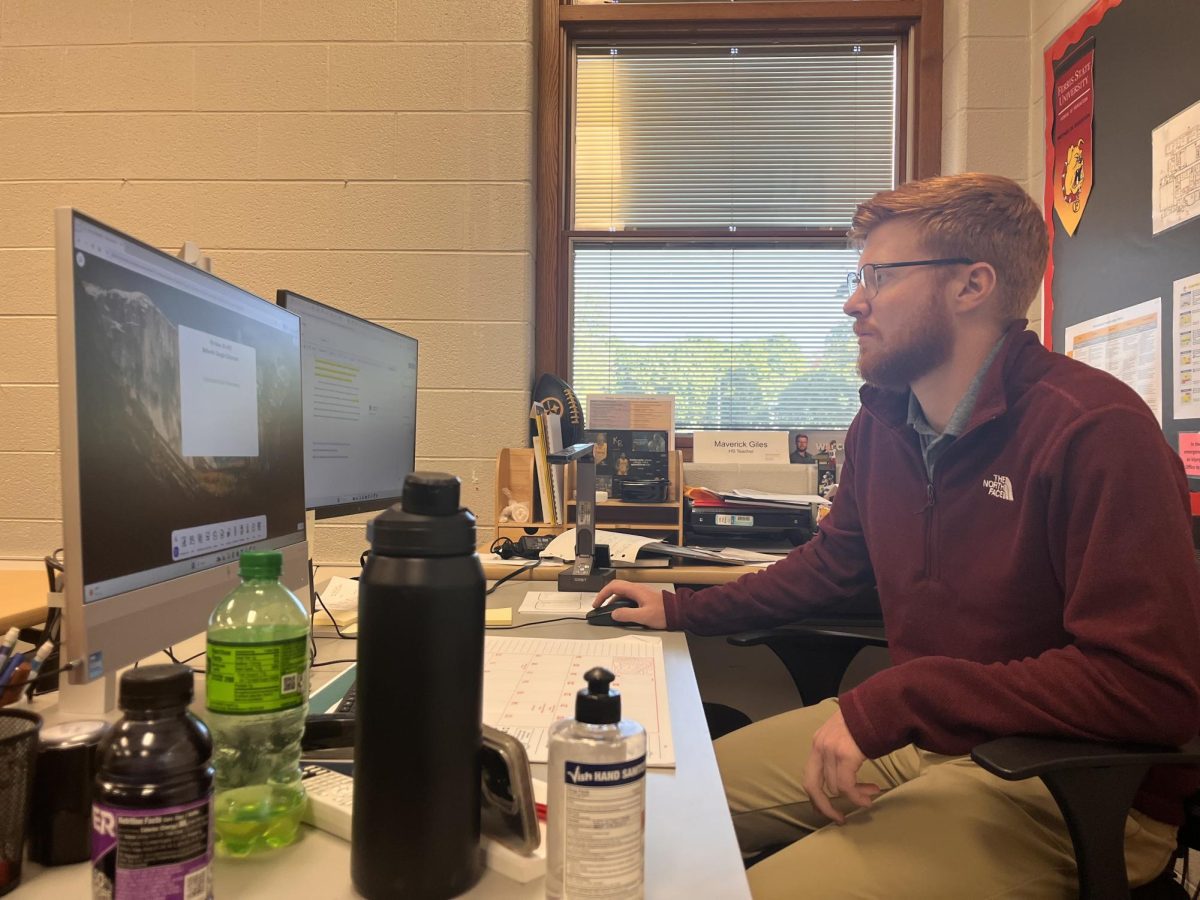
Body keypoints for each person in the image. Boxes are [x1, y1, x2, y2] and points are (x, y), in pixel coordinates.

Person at [593, 173, 1200, 898]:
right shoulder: (884, 422)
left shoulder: (1093, 431)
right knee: (633, 811)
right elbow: (832, 566)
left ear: (971, 286)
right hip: (929, 740)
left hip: (1062, 784)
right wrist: (679, 610)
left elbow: (1151, 685)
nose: (854, 301)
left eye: (878, 276)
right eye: (858, 276)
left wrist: (903, 699)